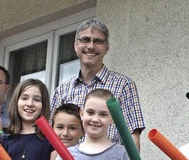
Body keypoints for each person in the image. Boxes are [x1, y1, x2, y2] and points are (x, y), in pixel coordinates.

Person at [51, 18, 145, 149]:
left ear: (106, 47)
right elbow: (52, 136)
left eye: (98, 41)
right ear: (75, 45)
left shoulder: (124, 85)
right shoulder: (62, 90)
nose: (91, 46)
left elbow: (132, 136)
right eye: (85, 40)